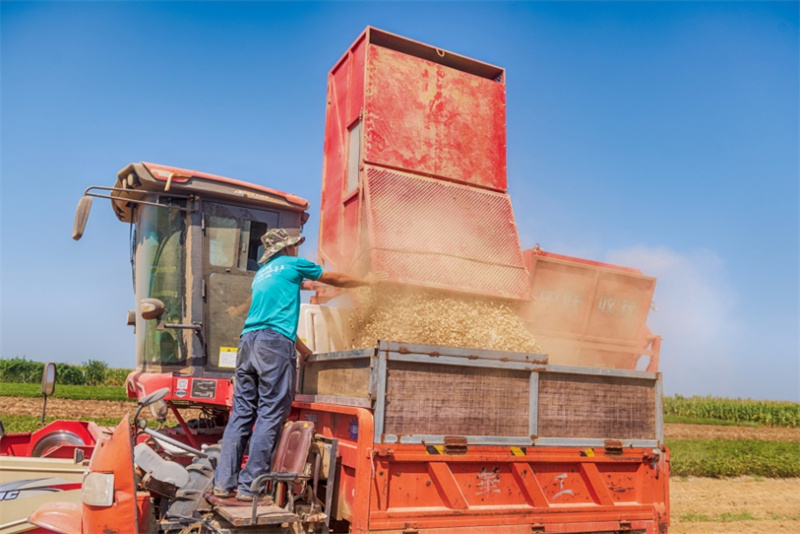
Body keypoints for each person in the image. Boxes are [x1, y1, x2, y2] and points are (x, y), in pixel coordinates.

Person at [213, 228, 386, 501]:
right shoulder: (292, 264)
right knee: (271, 413)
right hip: (272, 346)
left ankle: (223, 483)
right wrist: (366, 282)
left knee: (242, 414)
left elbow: (272, 320)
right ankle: (250, 487)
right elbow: (336, 278)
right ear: (287, 248)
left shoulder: (263, 274)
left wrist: (303, 351)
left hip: (247, 343)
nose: (296, 249)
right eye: (294, 245)